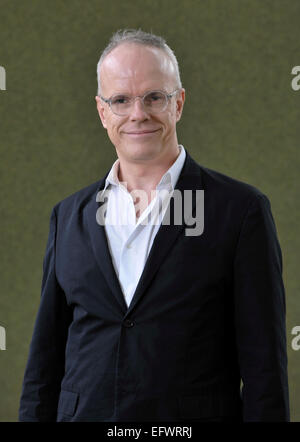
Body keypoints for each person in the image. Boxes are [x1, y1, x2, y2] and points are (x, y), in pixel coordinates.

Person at [19, 29, 290, 422]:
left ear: (178, 103)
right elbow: (43, 364)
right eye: (121, 100)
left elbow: (264, 369)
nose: (138, 113)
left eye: (154, 97)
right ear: (102, 111)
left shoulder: (241, 211)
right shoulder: (67, 217)